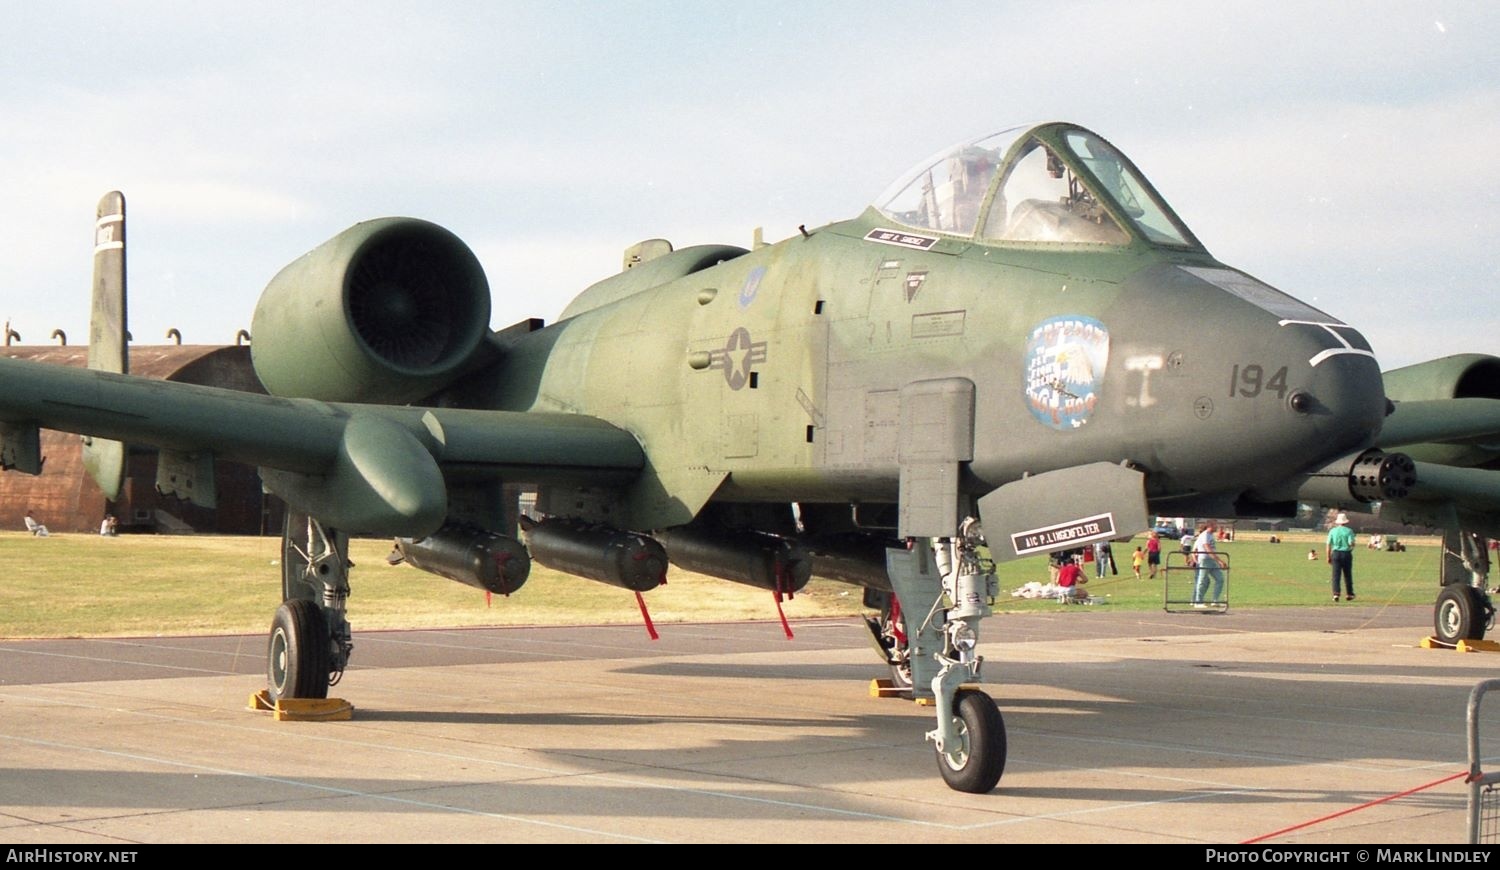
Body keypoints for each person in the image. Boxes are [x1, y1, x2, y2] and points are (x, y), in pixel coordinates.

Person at [1192, 520, 1226, 606]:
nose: (1217, 527)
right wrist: (1219, 561)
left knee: (1220, 579)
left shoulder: (1211, 535)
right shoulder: (1205, 535)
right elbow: (1207, 549)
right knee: (1202, 580)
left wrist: (1217, 560)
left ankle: (1215, 600)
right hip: (1205, 560)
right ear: (1210, 525)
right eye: (1215, 525)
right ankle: (1198, 601)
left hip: (1212, 560)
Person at [1327, 511, 1356, 602]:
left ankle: (1336, 594)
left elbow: (1328, 545)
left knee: (1336, 575)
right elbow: (1351, 543)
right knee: (1347, 574)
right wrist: (1351, 548)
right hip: (1346, 553)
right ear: (1345, 522)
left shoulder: (1332, 531)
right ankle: (1349, 594)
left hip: (1335, 553)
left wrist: (1328, 557)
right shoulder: (1349, 531)